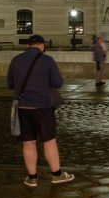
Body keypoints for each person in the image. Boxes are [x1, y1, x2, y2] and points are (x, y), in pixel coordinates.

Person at [6, 34, 74, 187]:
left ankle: (32, 178)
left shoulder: (16, 60)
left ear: (28, 45)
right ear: (42, 46)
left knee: (28, 143)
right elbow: (57, 83)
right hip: (42, 107)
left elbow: (10, 84)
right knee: (49, 141)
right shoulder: (47, 60)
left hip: (22, 107)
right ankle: (57, 175)